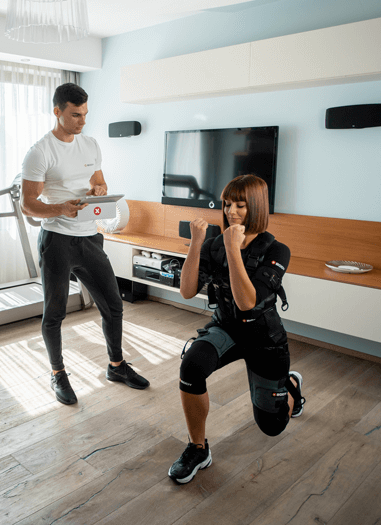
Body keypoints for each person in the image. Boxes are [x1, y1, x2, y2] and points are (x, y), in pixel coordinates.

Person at [168, 174, 305, 484]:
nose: (230, 211)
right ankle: (198, 449)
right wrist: (197, 245)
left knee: (272, 426)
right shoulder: (216, 244)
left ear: (256, 207)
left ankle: (291, 388)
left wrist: (234, 249)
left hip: (264, 338)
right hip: (226, 327)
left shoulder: (277, 251)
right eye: (228, 204)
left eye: (240, 206)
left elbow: (247, 302)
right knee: (191, 366)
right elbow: (187, 291)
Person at [21, 83, 150, 405]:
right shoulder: (40, 151)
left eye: (85, 114)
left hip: (90, 238)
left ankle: (116, 366)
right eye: (75, 115)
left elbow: (99, 181)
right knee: (54, 313)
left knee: (114, 305)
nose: (82, 121)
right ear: (57, 111)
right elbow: (28, 205)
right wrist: (59, 209)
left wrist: (98, 190)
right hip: (57, 240)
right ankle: (57, 373)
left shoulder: (90, 145)